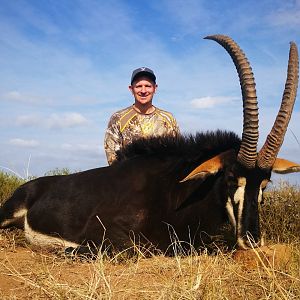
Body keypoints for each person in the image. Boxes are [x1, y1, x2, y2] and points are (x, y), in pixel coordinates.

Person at [104, 67, 180, 165]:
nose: (143, 91)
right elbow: (113, 159)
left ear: (155, 88)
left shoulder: (168, 118)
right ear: (131, 89)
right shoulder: (118, 118)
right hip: (129, 177)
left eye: (148, 86)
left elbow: (177, 155)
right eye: (139, 86)